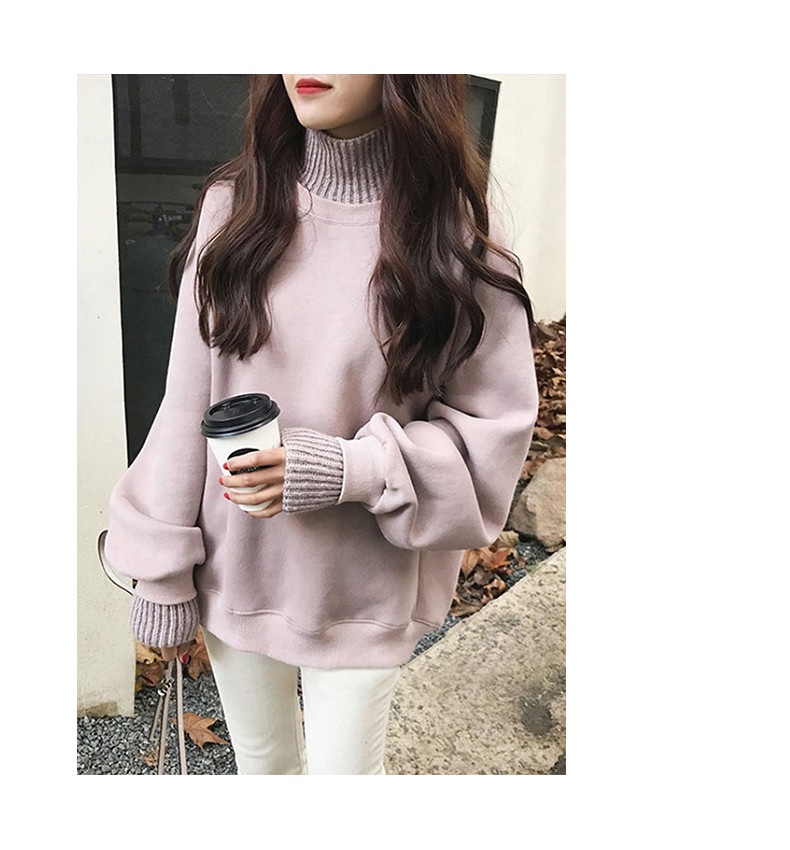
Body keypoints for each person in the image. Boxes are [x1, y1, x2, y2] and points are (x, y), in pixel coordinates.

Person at [106, 74, 539, 775]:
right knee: (264, 770)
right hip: (235, 570)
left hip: (365, 588)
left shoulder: (456, 229)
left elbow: (491, 437)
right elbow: (186, 403)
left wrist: (347, 469)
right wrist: (160, 568)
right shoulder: (235, 207)